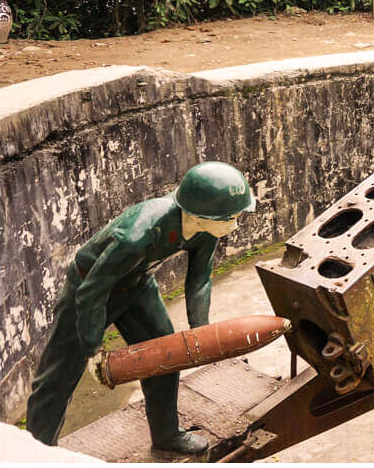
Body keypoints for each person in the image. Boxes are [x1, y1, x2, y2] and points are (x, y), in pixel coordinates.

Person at [25, 161, 256, 453]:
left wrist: (201, 333)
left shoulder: (206, 229)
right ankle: (35, 451)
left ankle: (166, 434)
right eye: (231, 217)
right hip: (88, 289)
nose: (234, 224)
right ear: (200, 213)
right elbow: (92, 291)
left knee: (167, 359)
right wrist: (94, 350)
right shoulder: (137, 234)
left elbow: (199, 280)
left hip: (137, 286)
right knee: (58, 377)